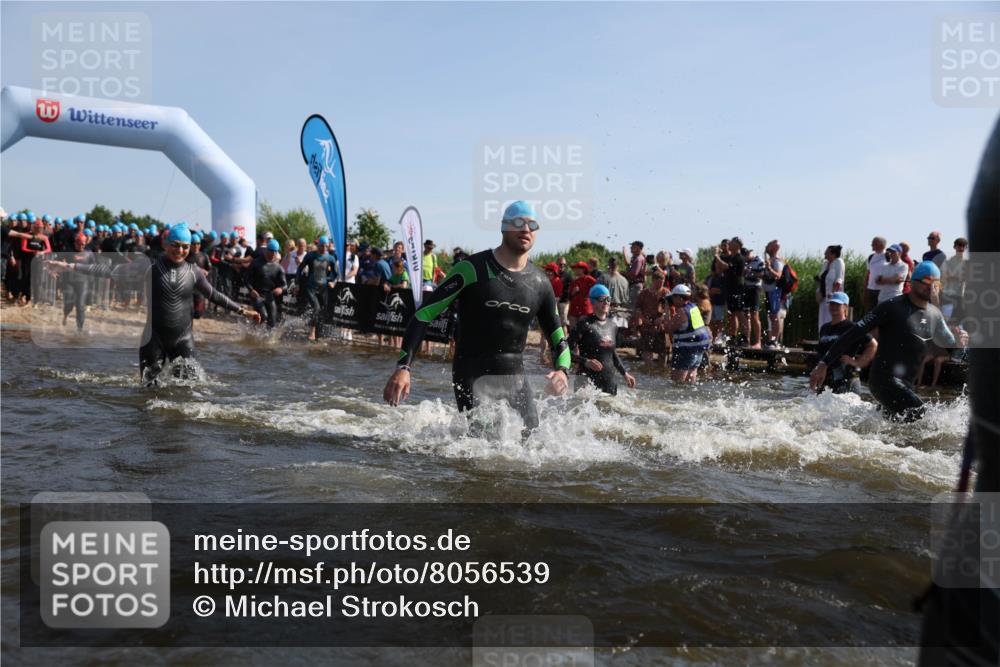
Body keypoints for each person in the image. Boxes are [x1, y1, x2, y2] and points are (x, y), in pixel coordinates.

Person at [383, 201, 570, 435]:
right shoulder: (472, 268)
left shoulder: (540, 282)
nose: (526, 229)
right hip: (472, 372)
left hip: (515, 377)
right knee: (482, 446)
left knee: (532, 439)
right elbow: (423, 315)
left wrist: (562, 370)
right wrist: (404, 367)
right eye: (518, 223)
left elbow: (557, 334)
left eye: (532, 224)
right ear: (503, 228)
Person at [48, 224, 260, 385]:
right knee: (148, 393)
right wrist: (68, 266)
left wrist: (242, 311)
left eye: (185, 247)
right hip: (153, 340)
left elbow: (215, 295)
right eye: (176, 245)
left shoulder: (193, 272)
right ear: (167, 244)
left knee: (189, 391)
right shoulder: (149, 265)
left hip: (183, 340)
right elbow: (108, 271)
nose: (180, 250)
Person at [810, 261, 968, 422]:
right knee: (922, 418)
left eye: (936, 283)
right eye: (927, 281)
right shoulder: (892, 307)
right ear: (913, 282)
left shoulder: (935, 316)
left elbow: (955, 354)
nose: (931, 287)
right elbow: (853, 334)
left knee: (891, 432)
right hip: (883, 380)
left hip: (906, 386)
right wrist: (824, 363)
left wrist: (961, 344)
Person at [569, 284, 636, 395]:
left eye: (608, 299)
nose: (606, 302)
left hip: (609, 382)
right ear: (593, 301)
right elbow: (566, 351)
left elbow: (612, 354)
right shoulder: (584, 323)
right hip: (586, 383)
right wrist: (585, 361)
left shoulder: (613, 326)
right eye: (602, 299)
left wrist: (625, 373)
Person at [813, 292, 877, 395]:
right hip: (826, 378)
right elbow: (822, 353)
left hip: (846, 379)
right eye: (832, 304)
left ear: (845, 307)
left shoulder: (853, 327)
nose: (833, 307)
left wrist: (858, 362)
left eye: (837, 304)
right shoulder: (824, 328)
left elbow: (873, 345)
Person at [662, 284, 711, 383]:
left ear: (680, 298)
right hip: (698, 349)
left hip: (686, 350)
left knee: (677, 383)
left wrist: (666, 309)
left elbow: (667, 328)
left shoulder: (682, 312)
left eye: (673, 297)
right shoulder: (693, 307)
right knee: (690, 382)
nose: (672, 300)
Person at [297, 236, 339, 340]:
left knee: (323, 310)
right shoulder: (310, 256)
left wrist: (332, 281)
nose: (324, 248)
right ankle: (312, 332)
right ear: (318, 245)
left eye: (326, 246)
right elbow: (300, 269)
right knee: (316, 308)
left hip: (323, 288)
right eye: (322, 246)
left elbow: (335, 273)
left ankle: (318, 333)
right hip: (311, 287)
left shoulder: (330, 258)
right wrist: (298, 283)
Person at [246, 239, 287, 328]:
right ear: (267, 250)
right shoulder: (256, 263)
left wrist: (280, 289)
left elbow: (285, 285)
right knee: (264, 317)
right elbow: (246, 279)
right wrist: (251, 290)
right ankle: (254, 335)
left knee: (272, 321)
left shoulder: (278, 267)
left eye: (275, 252)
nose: (273, 254)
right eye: (271, 251)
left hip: (270, 297)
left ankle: (265, 340)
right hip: (257, 296)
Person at [633, 268, 669, 365]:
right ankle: (648, 371)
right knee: (647, 351)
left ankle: (661, 372)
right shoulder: (644, 293)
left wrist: (661, 318)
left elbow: (670, 309)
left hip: (661, 327)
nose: (660, 285)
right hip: (647, 326)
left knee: (663, 352)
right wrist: (643, 319)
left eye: (662, 282)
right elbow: (637, 308)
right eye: (658, 282)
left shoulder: (666, 293)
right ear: (653, 280)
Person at [714, 237, 747, 344]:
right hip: (730, 289)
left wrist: (717, 256)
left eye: (732, 243)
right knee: (732, 314)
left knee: (739, 313)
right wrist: (718, 256)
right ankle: (733, 336)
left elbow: (726, 267)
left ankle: (745, 337)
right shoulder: (730, 257)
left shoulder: (739, 258)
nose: (729, 245)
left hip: (737, 289)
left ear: (737, 245)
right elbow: (719, 268)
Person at [761, 240, 786, 347]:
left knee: (774, 316)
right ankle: (772, 339)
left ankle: (775, 340)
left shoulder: (777, 261)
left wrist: (770, 268)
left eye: (768, 245)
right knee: (771, 316)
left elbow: (778, 275)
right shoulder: (770, 259)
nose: (766, 246)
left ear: (774, 248)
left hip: (774, 291)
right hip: (768, 291)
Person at [816, 244, 845, 331]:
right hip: (823, 296)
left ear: (833, 254)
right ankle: (822, 337)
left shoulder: (839, 262)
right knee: (822, 320)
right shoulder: (825, 264)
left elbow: (839, 280)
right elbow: (822, 278)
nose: (824, 254)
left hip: (832, 297)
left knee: (831, 318)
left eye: (826, 253)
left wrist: (833, 295)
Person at [939, 236, 968, 321]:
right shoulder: (947, 261)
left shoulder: (967, 262)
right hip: (946, 295)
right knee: (946, 320)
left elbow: (966, 278)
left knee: (959, 321)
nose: (961, 247)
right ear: (954, 246)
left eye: (963, 245)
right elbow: (942, 276)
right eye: (959, 245)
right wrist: (957, 277)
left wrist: (952, 276)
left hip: (960, 296)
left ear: (966, 247)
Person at [742, 247, 765, 348]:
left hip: (755, 289)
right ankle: (746, 340)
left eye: (747, 254)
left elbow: (761, 274)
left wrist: (749, 271)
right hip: (746, 288)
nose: (746, 257)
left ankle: (758, 342)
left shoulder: (758, 260)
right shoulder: (744, 261)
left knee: (754, 316)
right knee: (745, 315)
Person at [567, 261, 596, 329]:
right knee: (573, 330)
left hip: (585, 309)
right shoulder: (574, 281)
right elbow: (569, 296)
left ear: (583, 269)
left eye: (577, 268)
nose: (575, 270)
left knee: (584, 330)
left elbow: (598, 287)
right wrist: (573, 292)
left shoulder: (589, 279)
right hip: (574, 309)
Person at [602, 257, 630, 328]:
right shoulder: (624, 280)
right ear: (618, 266)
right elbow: (626, 299)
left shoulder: (603, 278)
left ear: (609, 265)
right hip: (621, 313)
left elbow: (597, 295)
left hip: (607, 311)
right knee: (618, 337)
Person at [706, 261, 727, 344]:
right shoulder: (710, 277)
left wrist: (714, 291)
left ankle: (719, 337)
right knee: (711, 321)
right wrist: (710, 291)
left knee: (719, 320)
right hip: (710, 302)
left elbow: (721, 290)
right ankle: (712, 337)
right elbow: (706, 288)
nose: (717, 267)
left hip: (719, 302)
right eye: (716, 266)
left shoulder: (723, 277)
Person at [623, 241, 647, 308]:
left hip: (635, 286)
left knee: (631, 307)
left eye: (633, 246)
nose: (631, 247)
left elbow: (634, 274)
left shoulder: (639, 259)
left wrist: (622, 273)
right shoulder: (636, 257)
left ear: (638, 248)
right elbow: (628, 265)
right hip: (634, 286)